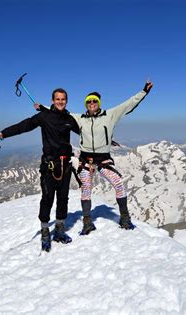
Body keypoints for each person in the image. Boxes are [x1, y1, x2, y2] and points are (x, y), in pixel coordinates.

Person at [37, 80, 153, 234]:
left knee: (118, 183)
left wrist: (144, 91)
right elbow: (62, 113)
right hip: (86, 160)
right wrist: (43, 108)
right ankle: (87, 221)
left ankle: (125, 217)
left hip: (103, 160)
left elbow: (128, 104)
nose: (92, 103)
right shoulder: (80, 118)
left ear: (99, 103)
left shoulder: (110, 115)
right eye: (89, 101)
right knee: (86, 188)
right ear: (86, 104)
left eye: (94, 101)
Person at [0, 88, 79, 252]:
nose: (60, 101)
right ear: (52, 101)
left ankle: (59, 229)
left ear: (66, 101)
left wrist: (106, 140)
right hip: (49, 165)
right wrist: (2, 134)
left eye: (63, 99)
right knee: (47, 198)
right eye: (57, 99)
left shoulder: (69, 119)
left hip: (65, 165)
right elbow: (23, 126)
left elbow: (86, 131)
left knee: (63, 198)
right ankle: (45, 232)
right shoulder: (44, 117)